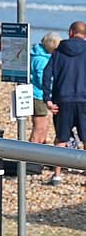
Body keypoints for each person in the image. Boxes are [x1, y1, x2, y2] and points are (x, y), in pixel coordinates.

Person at [42, 21, 86, 186]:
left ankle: (57, 175)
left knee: (62, 137)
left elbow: (47, 75)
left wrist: (47, 98)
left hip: (63, 99)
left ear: (70, 32)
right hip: (84, 99)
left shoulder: (59, 51)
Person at [29, 31, 61, 144]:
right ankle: (32, 156)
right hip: (38, 95)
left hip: (39, 94)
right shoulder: (41, 60)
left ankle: (38, 153)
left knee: (44, 126)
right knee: (39, 127)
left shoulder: (38, 56)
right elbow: (42, 80)